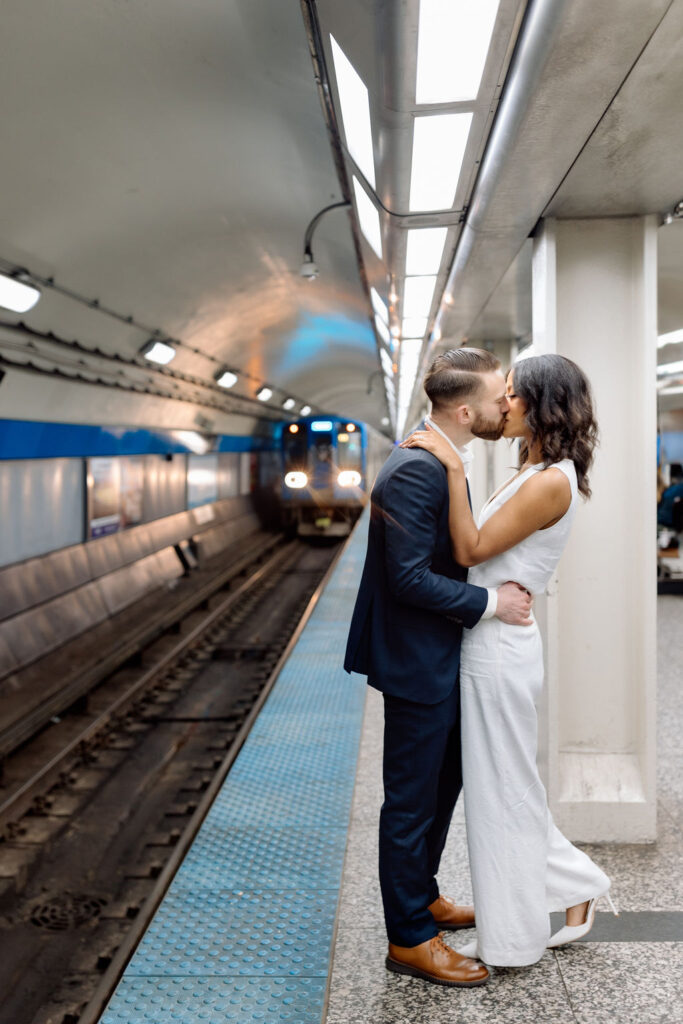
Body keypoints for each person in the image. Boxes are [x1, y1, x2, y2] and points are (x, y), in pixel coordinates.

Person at [401, 352, 616, 967]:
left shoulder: (550, 481)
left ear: (543, 405)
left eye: (514, 394)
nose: (504, 404)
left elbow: (469, 546)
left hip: (498, 653)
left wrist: (447, 462)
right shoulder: (536, 470)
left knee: (502, 796)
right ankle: (572, 888)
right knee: (505, 789)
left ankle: (515, 938)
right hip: (492, 643)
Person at [344, 347, 534, 988]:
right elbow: (407, 579)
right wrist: (490, 603)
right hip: (417, 661)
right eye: (497, 397)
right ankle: (410, 940)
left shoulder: (440, 460)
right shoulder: (418, 470)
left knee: (440, 787)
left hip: (438, 655)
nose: (505, 405)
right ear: (464, 409)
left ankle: (422, 897)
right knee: (409, 802)